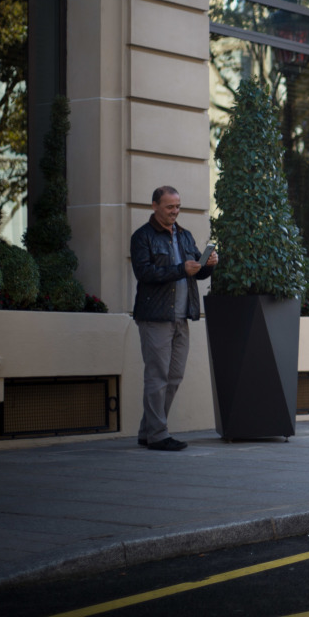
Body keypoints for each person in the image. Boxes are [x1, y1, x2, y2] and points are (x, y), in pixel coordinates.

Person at [130, 186, 218, 451]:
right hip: (155, 317)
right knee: (157, 377)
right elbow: (144, 274)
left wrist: (209, 265)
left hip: (182, 316)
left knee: (174, 376)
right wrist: (181, 269)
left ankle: (148, 431)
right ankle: (158, 434)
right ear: (155, 205)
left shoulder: (185, 235)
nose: (175, 212)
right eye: (170, 207)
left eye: (177, 206)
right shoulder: (142, 237)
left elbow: (196, 273)